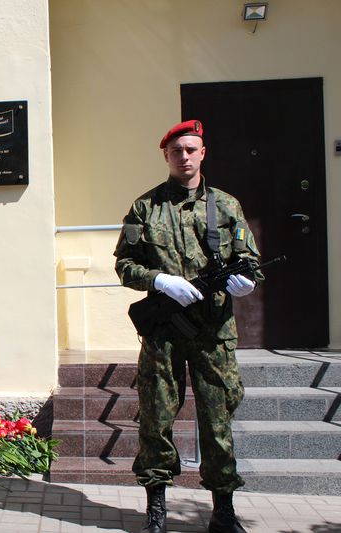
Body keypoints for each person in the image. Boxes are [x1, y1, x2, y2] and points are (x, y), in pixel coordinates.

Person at [114, 120, 262, 533]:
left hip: (213, 331)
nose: (184, 156)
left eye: (191, 149)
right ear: (166, 156)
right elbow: (125, 264)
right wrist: (159, 281)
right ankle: (156, 507)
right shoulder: (145, 207)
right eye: (176, 150)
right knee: (157, 419)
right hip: (163, 332)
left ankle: (223, 511)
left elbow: (249, 259)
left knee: (217, 420)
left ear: (203, 153)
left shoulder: (226, 206)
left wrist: (246, 282)